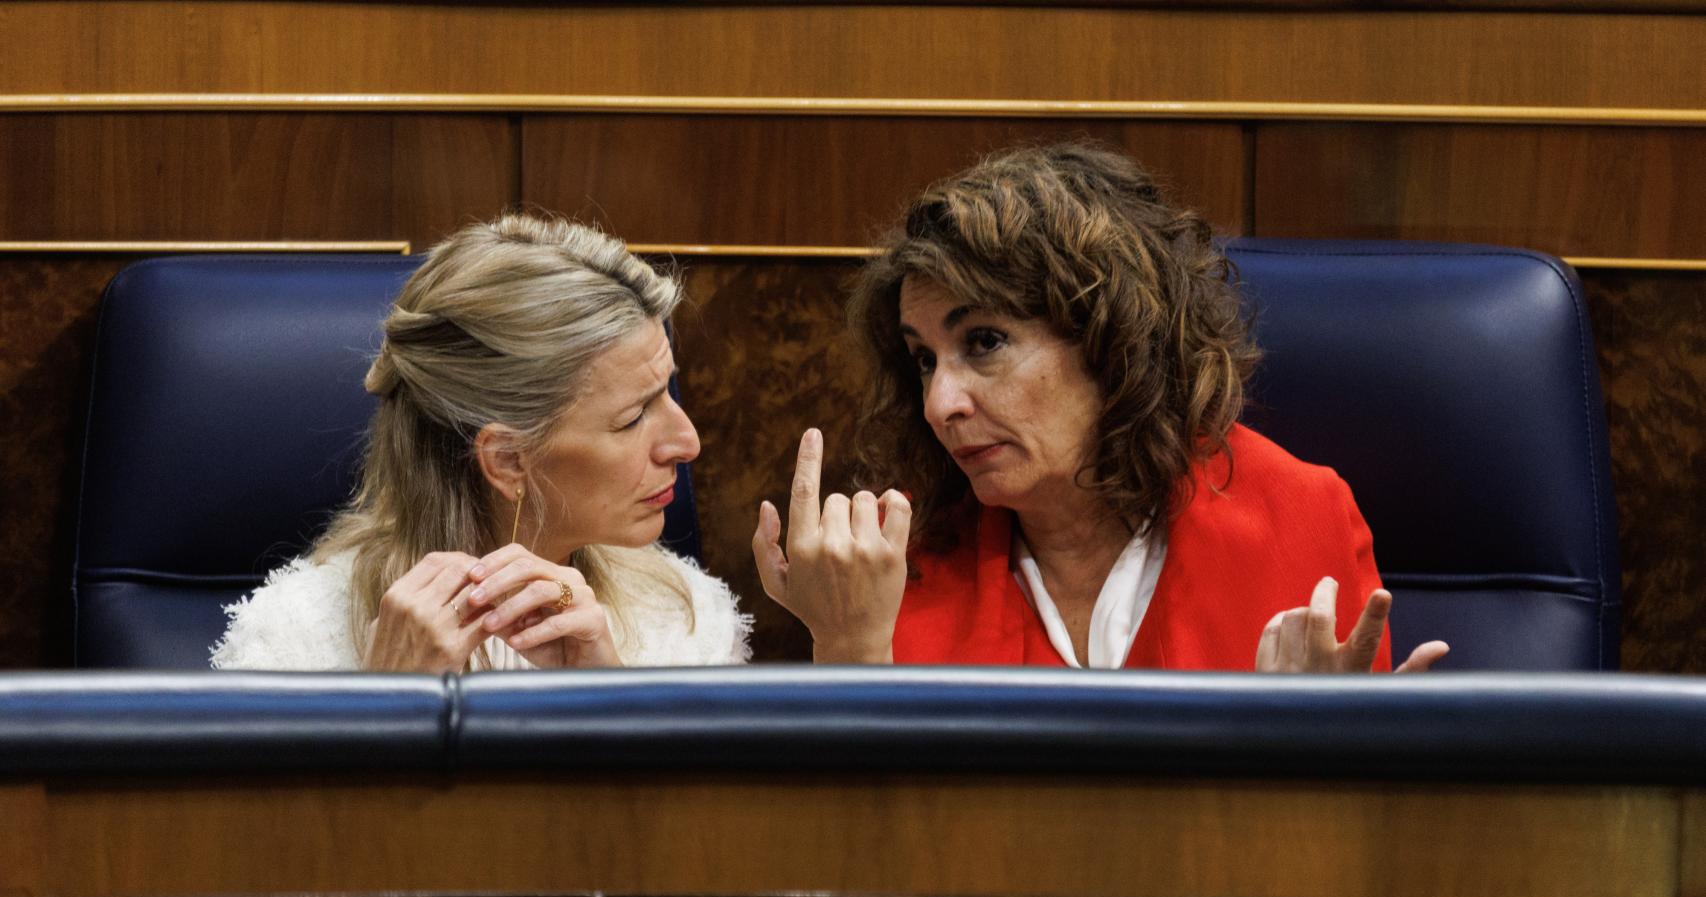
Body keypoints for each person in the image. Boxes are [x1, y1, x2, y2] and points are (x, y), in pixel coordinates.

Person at [753, 142, 1448, 673]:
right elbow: (872, 852)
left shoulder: (1298, 518)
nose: (941, 403)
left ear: (1112, 342)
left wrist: (1327, 755)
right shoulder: (891, 567)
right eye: (924, 359)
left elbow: (1341, 850)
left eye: (985, 342)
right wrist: (850, 650)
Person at [212, 212, 751, 671]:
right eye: (635, 417)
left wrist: (609, 705)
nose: (687, 443)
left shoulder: (687, 624)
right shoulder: (288, 646)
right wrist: (381, 713)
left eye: (667, 392)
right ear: (508, 460)